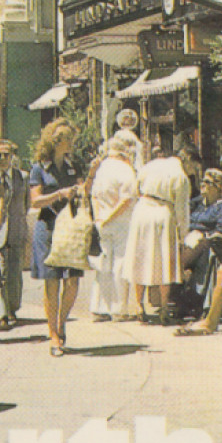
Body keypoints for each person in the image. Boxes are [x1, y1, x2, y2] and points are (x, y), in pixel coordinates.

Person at [122, 142, 200, 325]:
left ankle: (139, 305)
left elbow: (135, 188)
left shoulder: (152, 165)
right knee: (166, 261)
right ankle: (164, 307)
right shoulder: (180, 177)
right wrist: (182, 235)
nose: (192, 171)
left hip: (142, 211)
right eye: (193, 167)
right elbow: (182, 210)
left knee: (140, 258)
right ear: (187, 159)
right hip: (163, 213)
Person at [28, 121, 82, 356]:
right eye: (63, 136)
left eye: (70, 136)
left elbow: (82, 189)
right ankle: (53, 335)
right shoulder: (39, 168)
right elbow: (35, 201)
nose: (68, 140)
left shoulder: (73, 165)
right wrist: (59, 194)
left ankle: (61, 324)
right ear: (52, 140)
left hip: (71, 226)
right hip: (48, 226)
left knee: (73, 281)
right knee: (52, 281)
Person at [87, 131, 141, 321]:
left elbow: (93, 196)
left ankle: (98, 308)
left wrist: (99, 218)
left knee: (102, 265)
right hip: (120, 223)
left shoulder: (102, 169)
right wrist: (110, 217)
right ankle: (118, 310)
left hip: (102, 222)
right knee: (120, 264)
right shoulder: (126, 170)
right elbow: (127, 199)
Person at [178, 168, 222, 315]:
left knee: (199, 240)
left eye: (207, 182)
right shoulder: (198, 204)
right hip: (190, 242)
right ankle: (180, 270)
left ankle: (179, 269)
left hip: (211, 245)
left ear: (218, 187)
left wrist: (203, 235)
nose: (202, 185)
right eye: (202, 181)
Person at [0, 139, 30, 332]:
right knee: (1, 273)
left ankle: (13, 307)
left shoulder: (22, 177)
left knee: (15, 273)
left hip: (16, 229)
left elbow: (27, 203)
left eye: (7, 154)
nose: (3, 158)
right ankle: (2, 314)